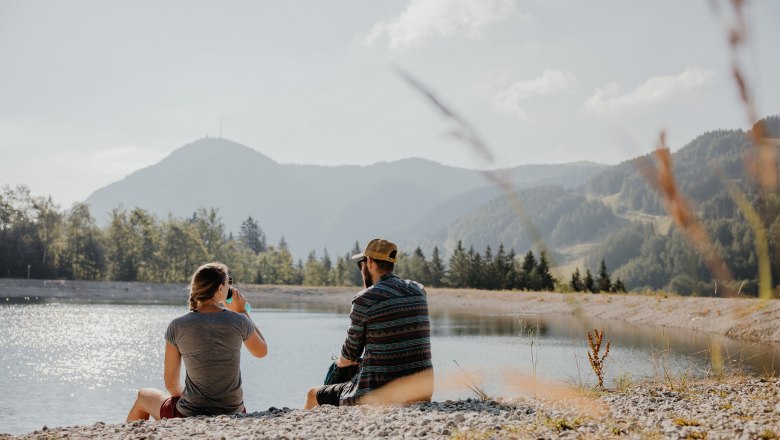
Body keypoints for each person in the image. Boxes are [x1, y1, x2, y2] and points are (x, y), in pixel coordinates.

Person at [127, 262, 267, 421]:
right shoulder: (239, 321)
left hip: (189, 413)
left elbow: (171, 385)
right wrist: (242, 312)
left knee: (143, 395)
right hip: (234, 411)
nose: (231, 287)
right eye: (229, 282)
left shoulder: (177, 326)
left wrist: (192, 401)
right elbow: (261, 351)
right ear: (220, 289)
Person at [304, 238, 433, 409]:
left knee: (313, 393)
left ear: (370, 262)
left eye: (361, 263)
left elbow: (348, 355)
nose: (362, 268)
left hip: (379, 393)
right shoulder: (419, 290)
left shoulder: (365, 299)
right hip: (422, 391)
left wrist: (341, 362)